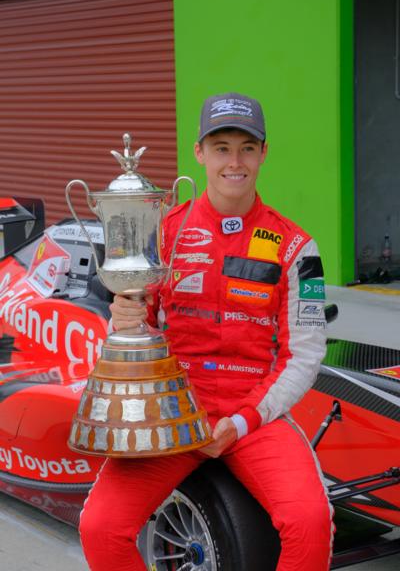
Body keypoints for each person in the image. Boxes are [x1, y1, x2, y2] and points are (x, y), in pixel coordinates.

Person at [79, 92, 334, 570]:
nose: (234, 162)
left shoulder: (300, 246)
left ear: (263, 153)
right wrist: (124, 319)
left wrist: (241, 422)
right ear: (199, 152)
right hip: (175, 414)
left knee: (311, 520)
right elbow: (139, 324)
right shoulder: (159, 231)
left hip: (254, 415)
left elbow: (304, 354)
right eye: (221, 148)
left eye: (246, 147)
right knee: (100, 527)